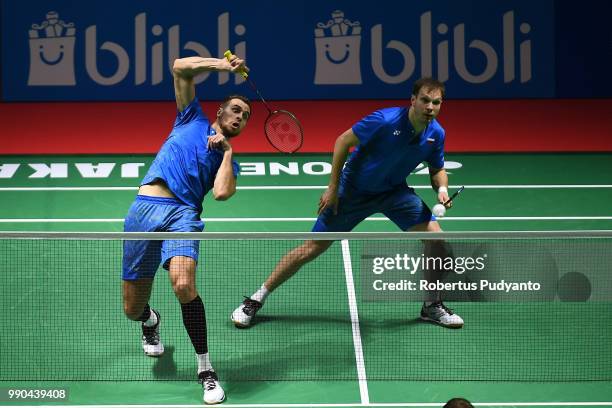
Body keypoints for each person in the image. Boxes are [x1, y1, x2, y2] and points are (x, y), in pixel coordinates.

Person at [231, 77, 464, 329]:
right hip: (352, 192)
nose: (430, 107)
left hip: (394, 193)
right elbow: (343, 141)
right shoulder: (384, 121)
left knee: (437, 241)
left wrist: (441, 189)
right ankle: (256, 299)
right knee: (311, 247)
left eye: (436, 102)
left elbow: (437, 169)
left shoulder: (436, 133)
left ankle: (431, 305)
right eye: (425, 100)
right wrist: (333, 188)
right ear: (413, 100)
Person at [122, 54, 251, 404]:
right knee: (132, 309)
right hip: (144, 210)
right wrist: (222, 66)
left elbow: (222, 193)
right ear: (221, 110)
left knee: (182, 283)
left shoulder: (229, 158)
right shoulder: (191, 117)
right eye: (236, 110)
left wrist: (226, 153)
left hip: (183, 214)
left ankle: (206, 370)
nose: (240, 117)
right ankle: (150, 321)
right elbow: (180, 66)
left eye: (246, 117)